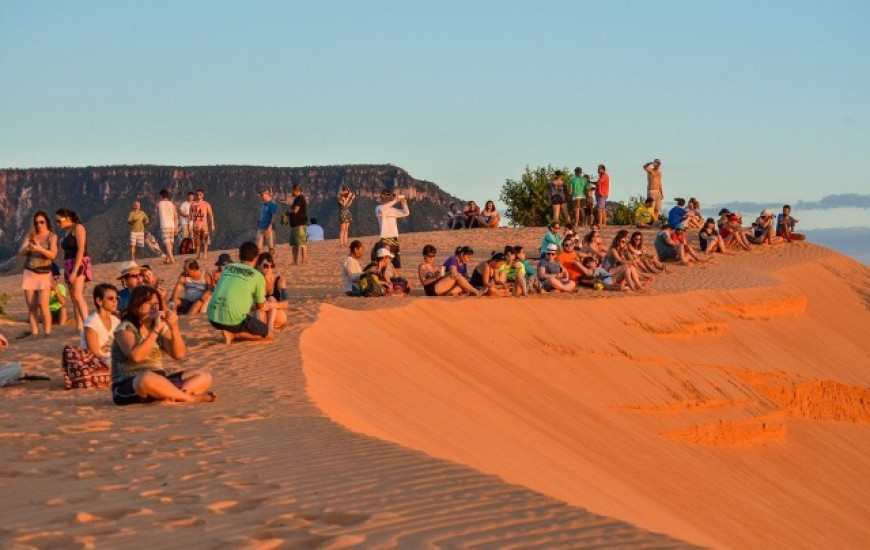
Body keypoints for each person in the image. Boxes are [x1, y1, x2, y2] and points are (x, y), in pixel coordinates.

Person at [111, 285, 215, 405]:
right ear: (137, 305)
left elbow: (179, 355)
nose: (154, 307)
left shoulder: (159, 326)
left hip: (160, 380)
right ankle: (188, 398)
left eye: (156, 303)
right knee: (146, 378)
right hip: (131, 383)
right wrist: (155, 331)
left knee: (204, 377)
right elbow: (136, 357)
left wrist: (174, 327)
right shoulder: (125, 328)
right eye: (148, 303)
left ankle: (170, 396)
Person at [207, 241, 275, 343]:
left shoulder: (227, 268)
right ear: (256, 258)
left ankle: (231, 331)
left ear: (239, 255)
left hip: (212, 317)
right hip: (234, 320)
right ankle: (234, 335)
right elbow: (260, 305)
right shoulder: (257, 276)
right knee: (269, 335)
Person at [20, 211, 58, 338]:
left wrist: (39, 249)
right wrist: (28, 248)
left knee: (43, 304)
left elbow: (53, 255)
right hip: (30, 272)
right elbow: (20, 252)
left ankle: (47, 333)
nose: (39, 225)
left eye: (42, 222)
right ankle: (34, 334)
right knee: (32, 306)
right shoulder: (31, 236)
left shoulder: (52, 236)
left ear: (47, 222)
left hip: (44, 273)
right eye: (36, 222)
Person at [56, 208, 90, 332]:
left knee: (77, 294)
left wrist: (75, 271)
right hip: (68, 263)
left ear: (68, 218)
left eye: (59, 220)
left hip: (78, 263)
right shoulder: (66, 231)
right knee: (73, 297)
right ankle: (79, 327)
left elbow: (81, 249)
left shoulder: (78, 228)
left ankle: (88, 325)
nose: (58, 223)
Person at [81, 283, 121, 361]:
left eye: (116, 298)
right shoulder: (92, 323)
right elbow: (94, 353)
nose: (115, 301)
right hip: (97, 363)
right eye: (111, 298)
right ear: (99, 301)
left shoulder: (116, 321)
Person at [375, 189, 410, 268]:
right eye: (388, 195)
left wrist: (404, 204)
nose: (390, 197)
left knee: (395, 264)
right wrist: (395, 200)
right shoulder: (378, 208)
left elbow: (406, 213)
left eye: (391, 195)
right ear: (383, 196)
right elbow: (382, 209)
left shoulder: (392, 210)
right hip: (385, 239)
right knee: (385, 262)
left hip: (394, 239)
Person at [256, 252, 288, 329]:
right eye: (266, 266)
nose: (269, 269)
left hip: (276, 316)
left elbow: (286, 303)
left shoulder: (279, 280)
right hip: (260, 314)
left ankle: (269, 327)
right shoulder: (255, 281)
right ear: (258, 266)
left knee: (271, 299)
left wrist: (271, 305)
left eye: (272, 266)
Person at [189, 189, 215, 260]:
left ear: (203, 195)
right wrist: (190, 224)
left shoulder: (206, 204)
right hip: (196, 225)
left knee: (205, 240)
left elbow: (210, 215)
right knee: (197, 241)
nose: (198, 196)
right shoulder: (193, 204)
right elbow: (190, 214)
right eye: (197, 194)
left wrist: (212, 224)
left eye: (200, 194)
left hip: (204, 225)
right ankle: (198, 254)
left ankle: (205, 254)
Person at [286, 184, 308, 265]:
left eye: (292, 190)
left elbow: (295, 210)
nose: (291, 192)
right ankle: (295, 261)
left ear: (295, 190)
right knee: (295, 244)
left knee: (301, 243)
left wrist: (288, 213)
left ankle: (303, 261)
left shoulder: (300, 199)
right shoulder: (299, 199)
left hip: (299, 224)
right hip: (296, 224)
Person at [157, 189, 178, 264]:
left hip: (164, 225)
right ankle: (168, 259)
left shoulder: (159, 204)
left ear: (161, 196)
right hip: (172, 225)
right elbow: (176, 216)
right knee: (171, 242)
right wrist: (176, 227)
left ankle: (172, 259)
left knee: (167, 243)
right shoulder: (172, 204)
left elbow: (157, 213)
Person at [256, 188, 278, 255]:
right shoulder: (264, 204)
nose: (261, 196)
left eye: (262, 194)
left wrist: (270, 226)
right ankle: (260, 261)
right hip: (261, 227)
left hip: (269, 228)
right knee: (259, 247)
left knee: (271, 247)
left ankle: (270, 262)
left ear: (268, 194)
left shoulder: (272, 204)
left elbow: (273, 216)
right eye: (261, 194)